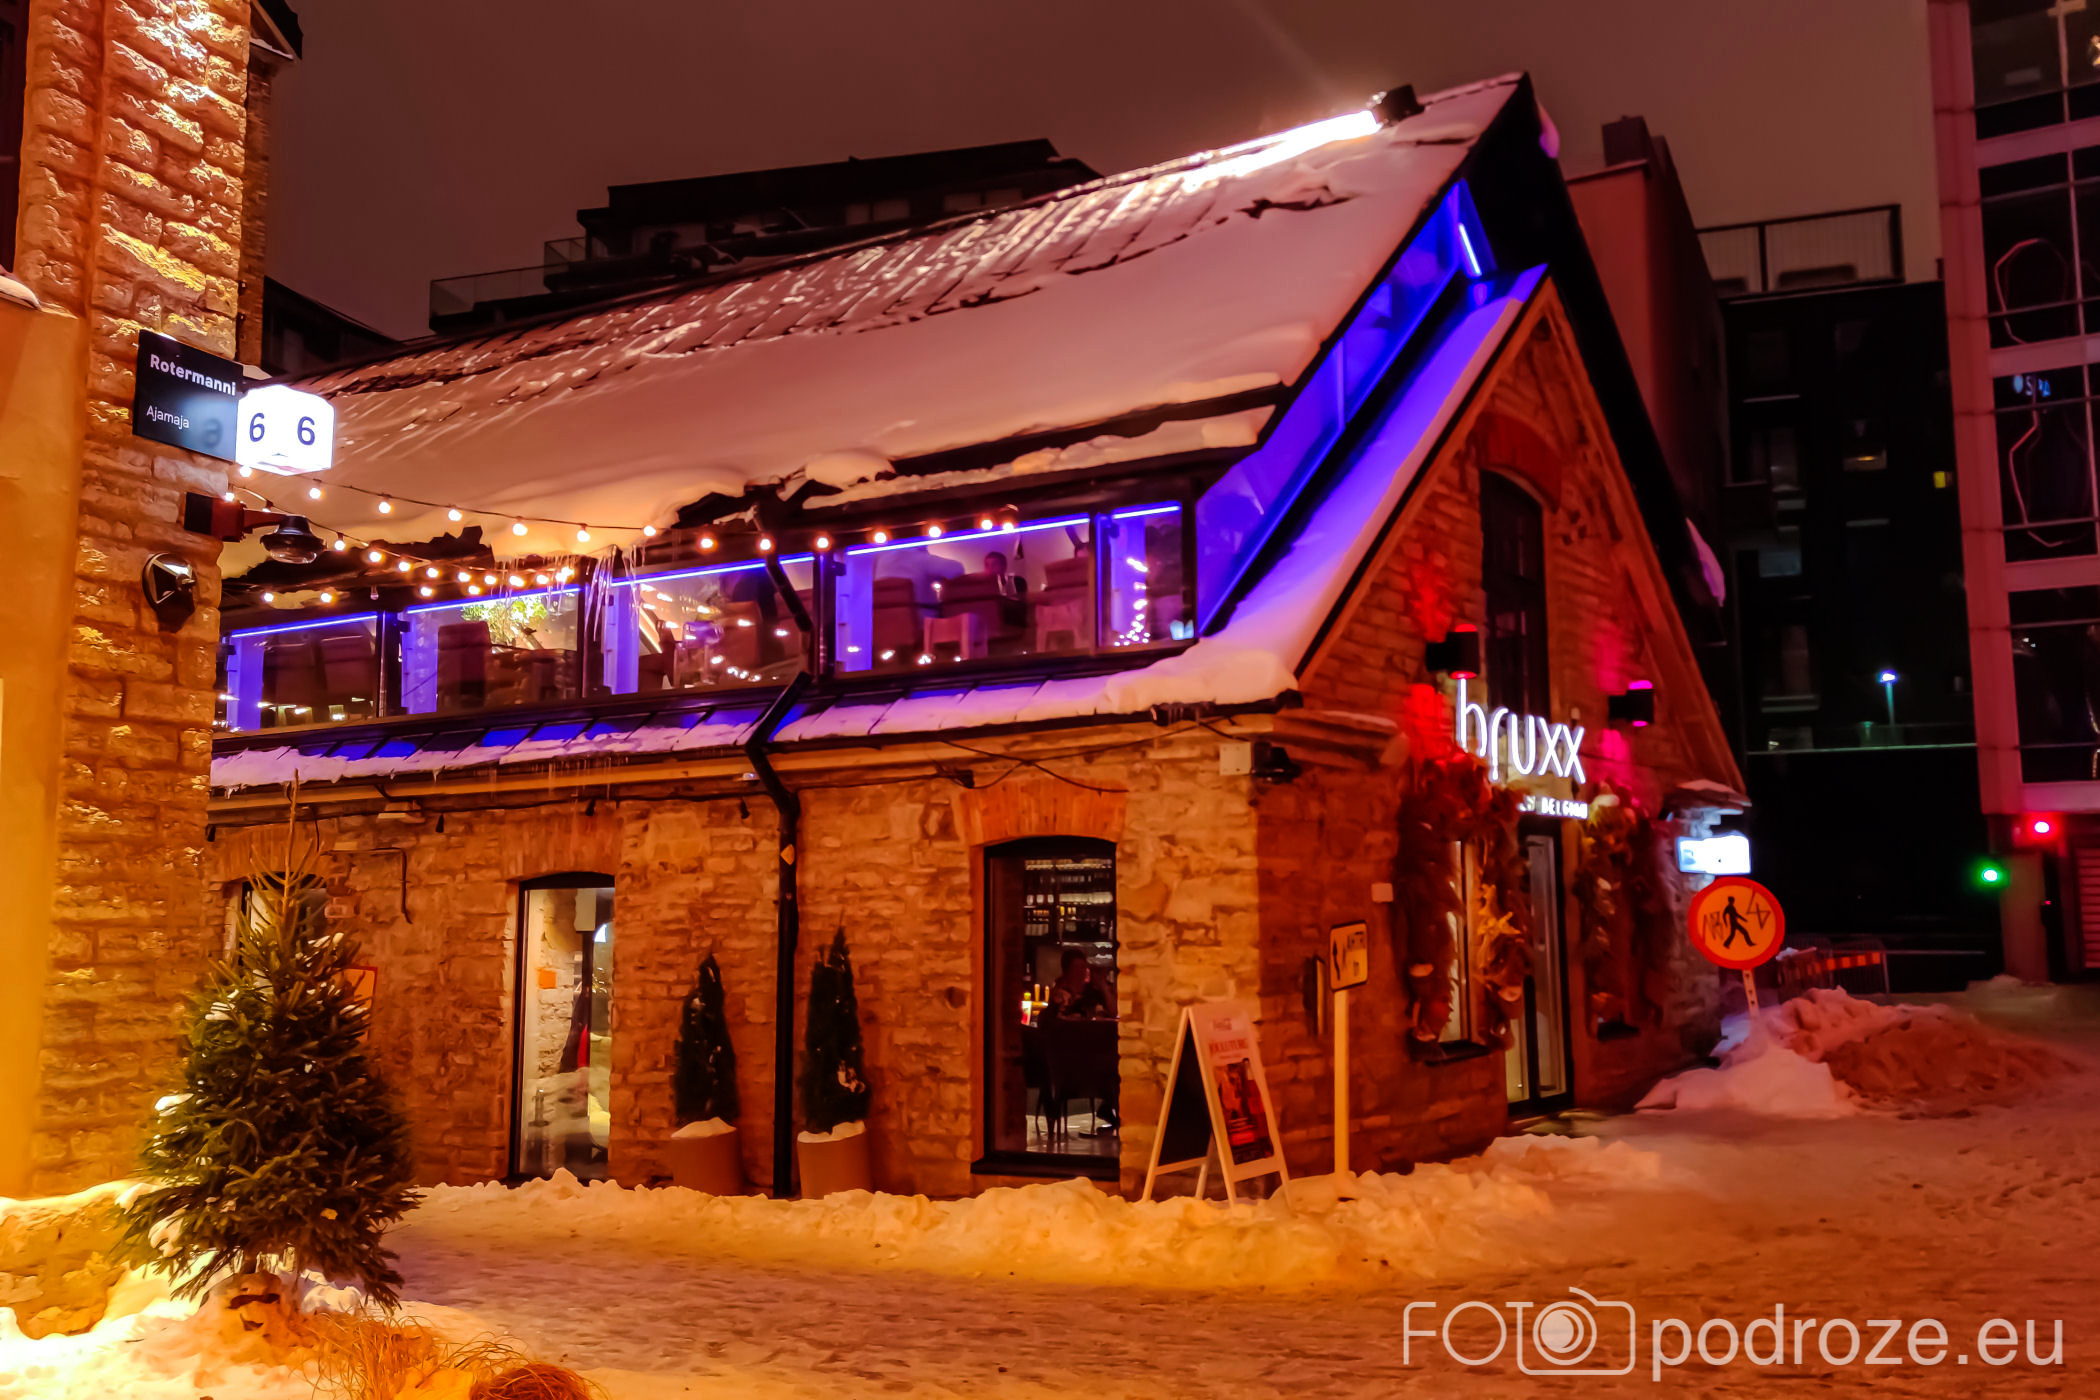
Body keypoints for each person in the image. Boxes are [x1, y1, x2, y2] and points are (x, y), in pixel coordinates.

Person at [1047, 950, 1110, 1019]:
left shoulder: (1091, 992)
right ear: (1067, 971)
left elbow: (1114, 1012)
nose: (1081, 972)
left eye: (1083, 967)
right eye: (1076, 968)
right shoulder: (1060, 995)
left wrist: (1102, 984)